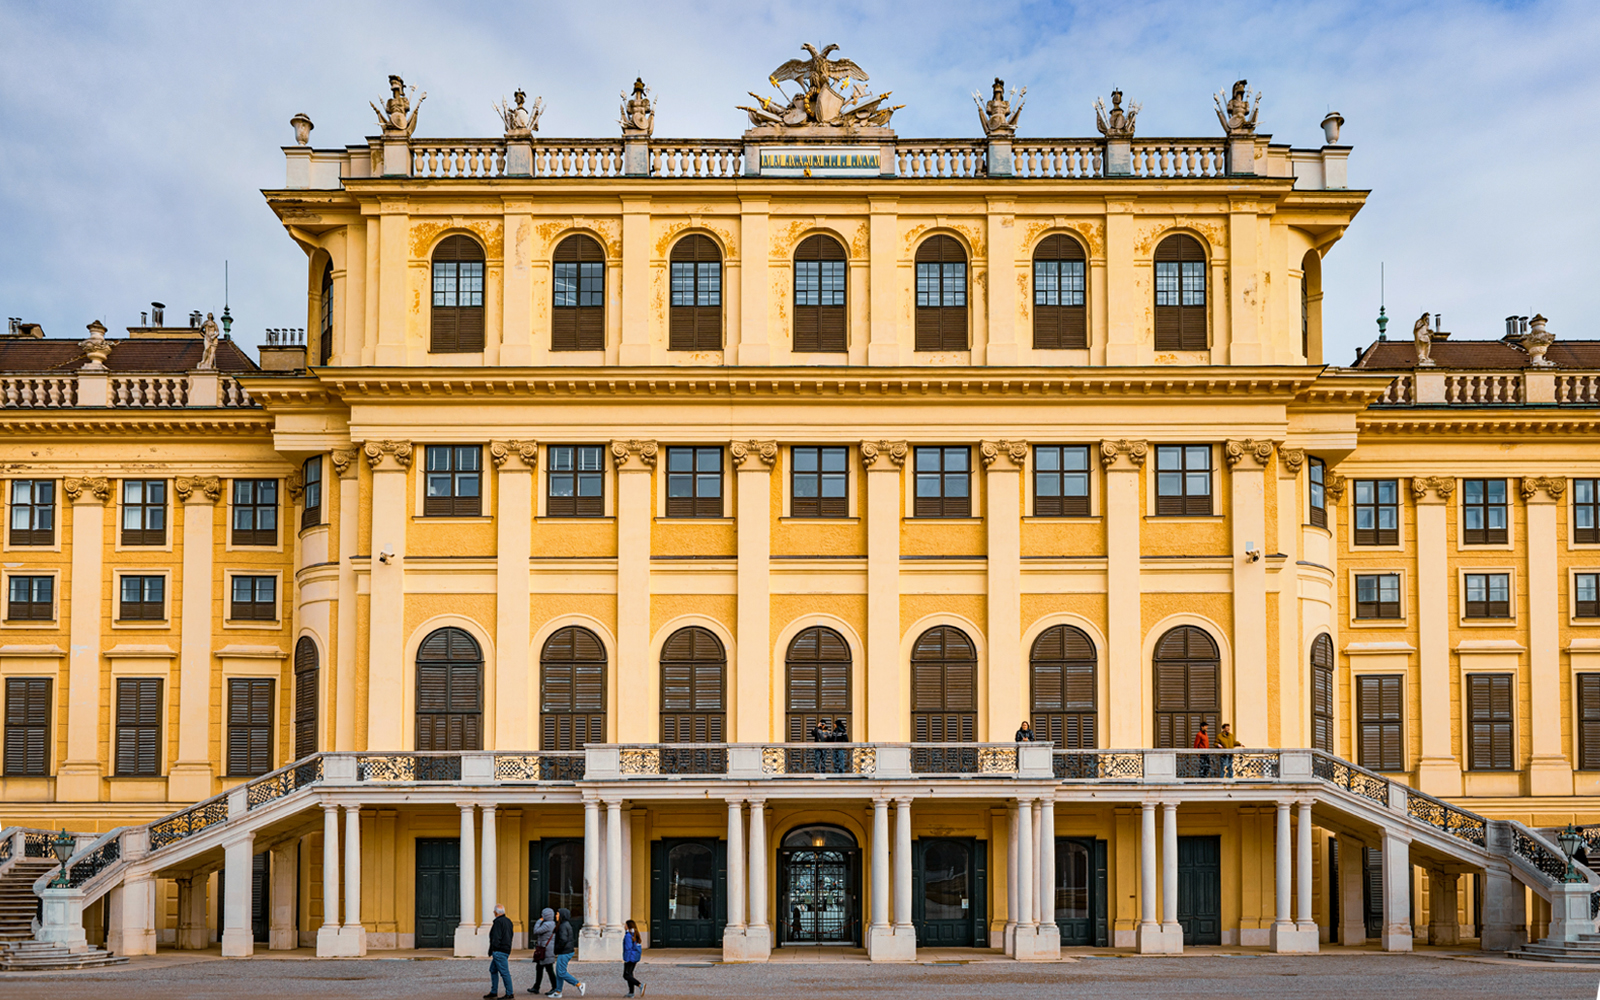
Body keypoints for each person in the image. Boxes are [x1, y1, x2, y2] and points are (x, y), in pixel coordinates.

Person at [547, 907, 584, 998]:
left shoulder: (563, 926)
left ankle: (579, 984)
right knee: (559, 972)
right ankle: (558, 992)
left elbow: (563, 940)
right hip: (565, 951)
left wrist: (557, 950)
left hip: (565, 952)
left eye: (557, 914)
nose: (556, 915)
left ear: (562, 915)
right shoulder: (564, 924)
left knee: (561, 972)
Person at [485, 903, 514, 1000]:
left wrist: (494, 948)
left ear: (495, 912)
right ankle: (494, 991)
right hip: (505, 949)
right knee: (493, 969)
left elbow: (496, 937)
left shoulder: (498, 922)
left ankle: (509, 994)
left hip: (499, 950)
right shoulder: (508, 921)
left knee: (504, 972)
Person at [526, 907, 556, 995]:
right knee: (539, 968)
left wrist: (539, 921)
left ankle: (555, 987)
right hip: (546, 949)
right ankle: (536, 987)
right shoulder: (552, 923)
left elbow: (536, 931)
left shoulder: (547, 924)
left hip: (546, 950)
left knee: (549, 969)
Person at [622, 918, 645, 997]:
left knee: (626, 975)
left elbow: (628, 948)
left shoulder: (628, 936)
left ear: (628, 926)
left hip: (630, 957)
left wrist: (626, 959)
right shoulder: (634, 934)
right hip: (634, 957)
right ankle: (631, 993)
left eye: (625, 925)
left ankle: (640, 985)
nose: (624, 926)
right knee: (630, 974)